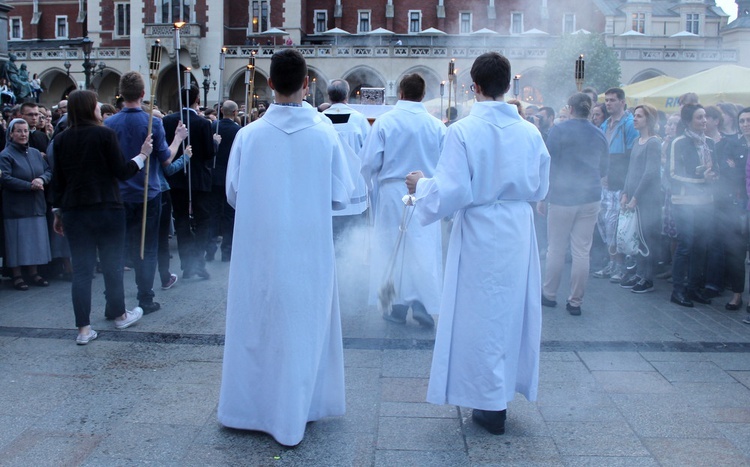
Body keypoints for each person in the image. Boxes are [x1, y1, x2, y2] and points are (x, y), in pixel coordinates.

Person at [406, 52, 550, 435]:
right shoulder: (530, 131)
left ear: (475, 88)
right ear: (507, 87)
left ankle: (487, 401)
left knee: (479, 314)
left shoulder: (464, 130)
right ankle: (499, 392)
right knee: (509, 312)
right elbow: (541, 185)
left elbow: (452, 191)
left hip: (480, 231)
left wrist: (420, 186)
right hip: (517, 230)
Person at [218, 48, 353, 446]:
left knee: (259, 322)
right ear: (307, 85)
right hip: (308, 249)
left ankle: (250, 409)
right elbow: (342, 196)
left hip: (259, 249)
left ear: (270, 83)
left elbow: (233, 193)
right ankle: (302, 407)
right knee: (304, 327)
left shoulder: (249, 135)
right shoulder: (324, 132)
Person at [51, 90, 150, 344]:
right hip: (106, 208)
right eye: (95, 104)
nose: (99, 107)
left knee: (82, 271)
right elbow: (121, 171)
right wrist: (142, 155)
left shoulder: (61, 139)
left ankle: (83, 329)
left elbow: (58, 181)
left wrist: (58, 212)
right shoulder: (104, 134)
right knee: (112, 265)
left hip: (74, 211)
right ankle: (119, 314)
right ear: (89, 108)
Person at [360, 73, 445, 327]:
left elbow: (368, 164)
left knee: (390, 248)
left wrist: (373, 189)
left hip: (391, 192)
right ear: (423, 95)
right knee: (423, 249)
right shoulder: (437, 125)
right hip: (425, 191)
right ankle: (421, 303)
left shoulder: (385, 123)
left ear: (400, 93)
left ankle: (396, 306)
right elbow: (445, 165)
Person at [105, 71, 188, 314]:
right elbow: (166, 159)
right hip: (146, 193)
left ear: (122, 94)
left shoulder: (109, 124)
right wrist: (178, 139)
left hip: (119, 194)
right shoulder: (153, 122)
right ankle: (145, 297)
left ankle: (113, 301)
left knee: (117, 249)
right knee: (147, 247)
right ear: (142, 94)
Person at [539, 93, 608, 315]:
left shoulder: (559, 130)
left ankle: (549, 295)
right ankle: (575, 301)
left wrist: (543, 195)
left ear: (570, 108)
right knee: (581, 250)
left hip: (562, 196)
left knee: (556, 248)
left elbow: (549, 163)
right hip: (590, 196)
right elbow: (605, 168)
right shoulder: (599, 133)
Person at [163, 85, 216, 280]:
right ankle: (198, 261)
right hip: (199, 178)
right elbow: (209, 153)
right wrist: (215, 143)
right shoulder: (203, 123)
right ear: (197, 100)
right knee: (202, 220)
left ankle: (187, 263)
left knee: (182, 219)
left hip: (177, 178)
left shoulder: (168, 120)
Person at [667, 104, 717, 307]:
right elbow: (672, 174)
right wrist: (700, 180)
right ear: (689, 121)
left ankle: (694, 288)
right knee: (685, 245)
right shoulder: (678, 142)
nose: (704, 120)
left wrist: (714, 176)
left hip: (706, 202)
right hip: (684, 201)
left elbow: (717, 168)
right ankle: (678, 290)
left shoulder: (711, 143)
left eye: (705, 117)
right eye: (699, 117)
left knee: (700, 246)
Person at [0, 118, 52, 290]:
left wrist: (41, 179)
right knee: (17, 242)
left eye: (25, 131)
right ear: (11, 133)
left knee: (34, 241)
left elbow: (48, 170)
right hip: (16, 206)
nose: (23, 134)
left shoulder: (36, 153)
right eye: (19, 131)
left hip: (36, 204)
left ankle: (33, 272)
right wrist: (29, 185)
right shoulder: (5, 155)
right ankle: (17, 275)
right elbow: (5, 178)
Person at [594, 88, 638, 282]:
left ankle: (620, 265)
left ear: (622, 102)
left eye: (612, 100)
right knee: (604, 224)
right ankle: (612, 262)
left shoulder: (629, 124)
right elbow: (602, 154)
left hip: (619, 183)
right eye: (607, 100)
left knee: (615, 225)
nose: (608, 103)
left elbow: (630, 158)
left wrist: (626, 186)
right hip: (605, 183)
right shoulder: (605, 124)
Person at [619, 104, 662, 294]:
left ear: (649, 120)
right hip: (635, 196)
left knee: (647, 238)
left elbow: (650, 172)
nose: (634, 119)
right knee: (637, 236)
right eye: (635, 115)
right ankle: (639, 273)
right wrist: (625, 192)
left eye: (639, 116)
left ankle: (648, 278)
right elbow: (631, 170)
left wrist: (635, 196)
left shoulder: (654, 142)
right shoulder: (638, 141)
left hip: (648, 198)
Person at [712, 107, 750, 311]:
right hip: (736, 205)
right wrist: (733, 167)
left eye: (748, 120)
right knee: (736, 252)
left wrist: (735, 166)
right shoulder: (733, 144)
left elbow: (735, 169)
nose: (745, 124)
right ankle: (737, 294)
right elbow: (727, 171)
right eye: (742, 121)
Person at [323, 79, 370, 241]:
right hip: (355, 190)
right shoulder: (359, 120)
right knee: (353, 243)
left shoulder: (319, 120)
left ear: (329, 97)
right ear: (347, 96)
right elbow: (369, 154)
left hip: (328, 191)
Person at [209, 99, 240, 262]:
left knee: (213, 213)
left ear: (222, 111)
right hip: (230, 176)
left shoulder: (213, 127)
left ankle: (210, 249)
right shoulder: (238, 130)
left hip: (214, 175)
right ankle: (227, 251)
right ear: (234, 113)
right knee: (229, 215)